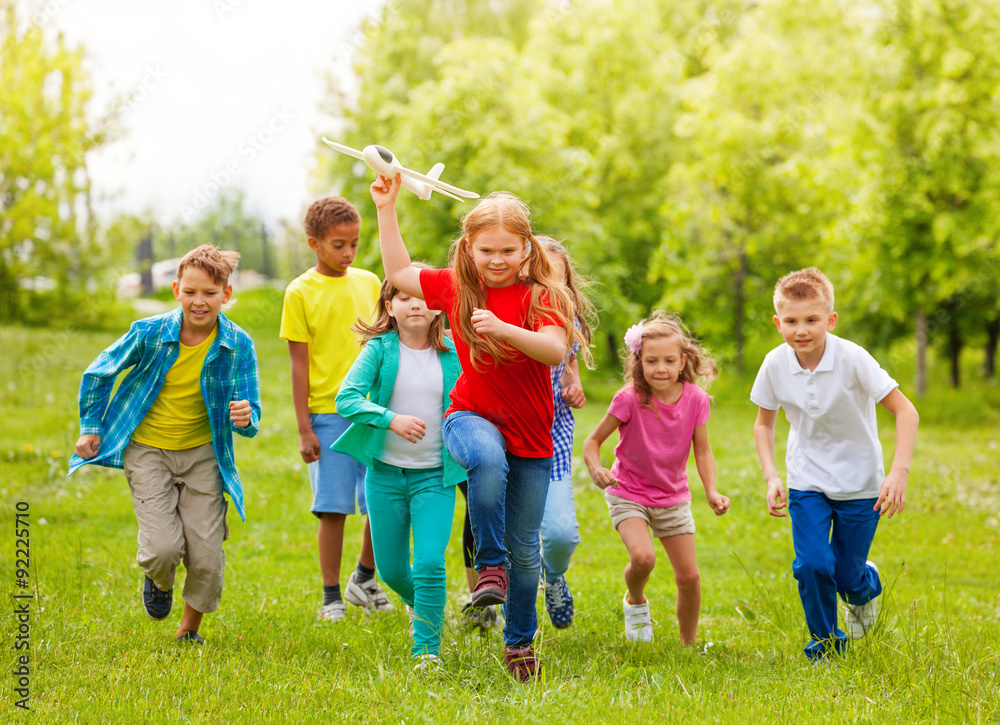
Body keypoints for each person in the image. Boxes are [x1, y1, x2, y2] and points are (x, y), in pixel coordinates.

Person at [370, 173, 588, 681]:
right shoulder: (456, 287)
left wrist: (504, 327)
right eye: (486, 249)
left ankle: (519, 644)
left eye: (508, 250)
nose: (496, 260)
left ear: (526, 248)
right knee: (485, 460)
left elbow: (555, 349)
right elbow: (400, 271)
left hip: (533, 434)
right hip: (469, 415)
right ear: (468, 248)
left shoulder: (544, 295)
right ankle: (489, 565)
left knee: (528, 554)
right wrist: (386, 207)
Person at [69, 245, 260, 644]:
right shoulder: (150, 333)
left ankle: (188, 632)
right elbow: (99, 372)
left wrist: (246, 416)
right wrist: (91, 427)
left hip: (203, 456)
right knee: (162, 549)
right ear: (176, 289)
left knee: (207, 557)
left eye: (210, 292)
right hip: (148, 451)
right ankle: (159, 579)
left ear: (226, 294)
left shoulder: (239, 344)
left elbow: (250, 409)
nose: (199, 301)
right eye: (190, 291)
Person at [751, 267, 918, 661]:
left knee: (846, 576)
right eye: (791, 321)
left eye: (812, 320)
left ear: (830, 319)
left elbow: (905, 411)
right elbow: (763, 423)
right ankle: (825, 644)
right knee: (811, 565)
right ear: (778, 323)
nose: (801, 330)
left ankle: (865, 585)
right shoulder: (775, 364)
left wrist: (899, 472)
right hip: (807, 480)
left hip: (861, 482)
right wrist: (772, 475)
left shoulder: (853, 358)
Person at [331, 265, 465, 670]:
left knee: (428, 562)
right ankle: (424, 605)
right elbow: (347, 399)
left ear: (438, 306)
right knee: (390, 569)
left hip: (434, 478)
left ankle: (427, 649)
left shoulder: (454, 353)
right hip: (386, 475)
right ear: (390, 305)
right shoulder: (379, 350)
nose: (415, 304)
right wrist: (391, 419)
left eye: (422, 297)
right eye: (404, 297)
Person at [584, 312, 729, 645]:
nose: (660, 368)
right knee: (643, 558)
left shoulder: (696, 399)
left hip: (672, 496)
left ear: (682, 362)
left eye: (668, 360)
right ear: (639, 361)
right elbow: (592, 441)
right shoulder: (629, 399)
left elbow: (702, 451)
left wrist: (712, 491)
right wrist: (595, 468)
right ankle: (635, 601)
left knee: (690, 577)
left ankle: (687, 645)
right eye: (651, 361)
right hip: (628, 493)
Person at [280, 196, 392, 622]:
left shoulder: (369, 282)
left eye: (354, 244)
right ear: (314, 243)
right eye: (338, 244)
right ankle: (331, 595)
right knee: (333, 507)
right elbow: (298, 363)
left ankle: (365, 575)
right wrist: (304, 427)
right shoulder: (299, 292)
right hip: (327, 415)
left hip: (374, 411)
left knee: (380, 501)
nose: (348, 253)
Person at [535, 236, 596, 630]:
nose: (547, 289)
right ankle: (517, 608)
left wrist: (573, 387)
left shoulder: (568, 324)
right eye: (538, 278)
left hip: (550, 440)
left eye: (555, 280)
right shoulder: (504, 318)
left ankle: (551, 575)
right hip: (506, 440)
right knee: (513, 539)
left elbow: (569, 372)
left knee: (561, 534)